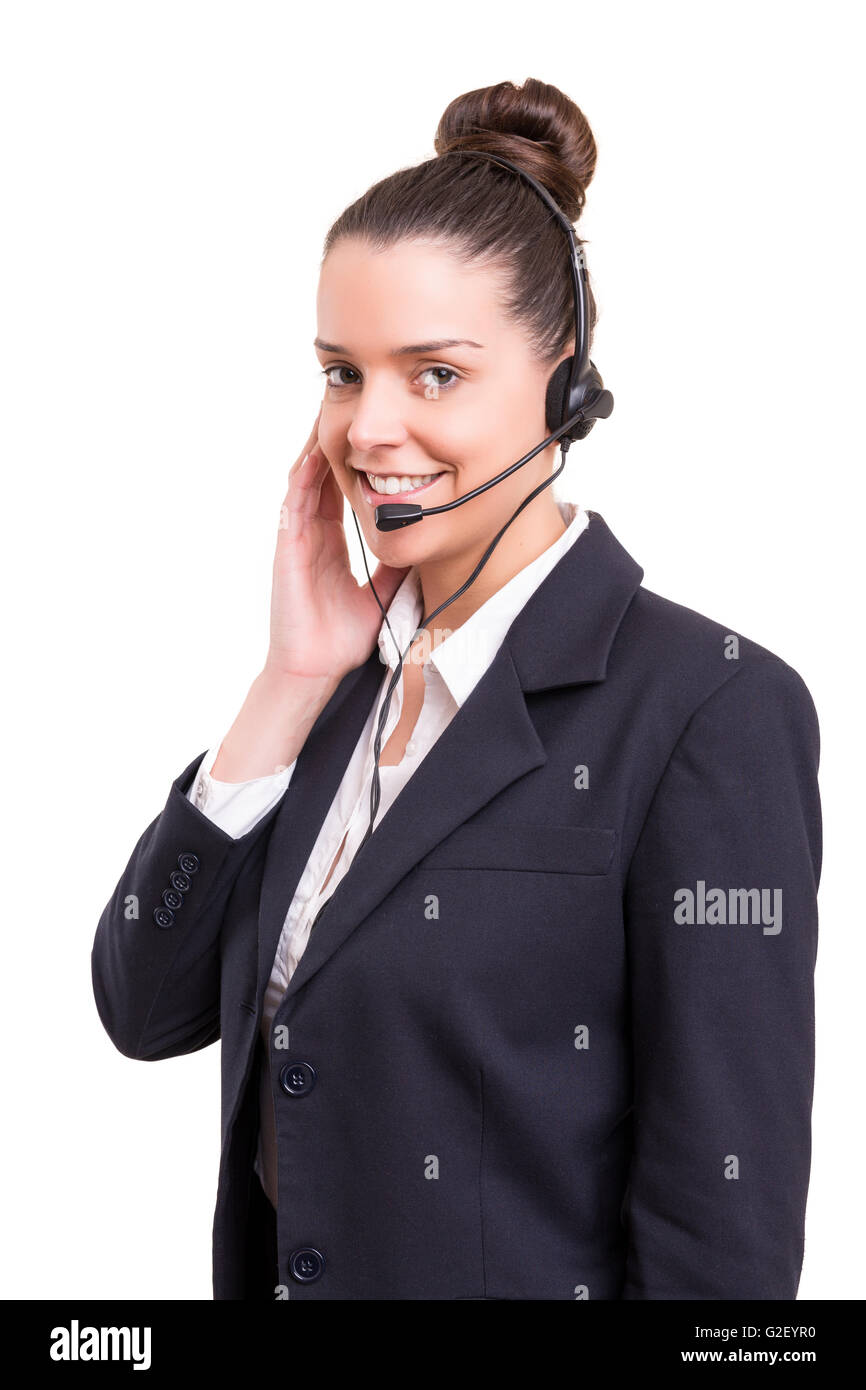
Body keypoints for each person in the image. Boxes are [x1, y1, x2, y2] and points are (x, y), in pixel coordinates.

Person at [91, 77, 822, 1300]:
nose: (369, 428)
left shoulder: (705, 708)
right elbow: (142, 1007)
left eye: (434, 375)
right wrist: (286, 681)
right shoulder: (333, 691)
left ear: (567, 386)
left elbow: (723, 1245)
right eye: (340, 371)